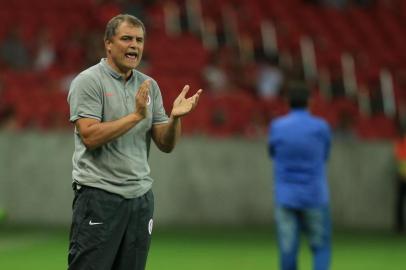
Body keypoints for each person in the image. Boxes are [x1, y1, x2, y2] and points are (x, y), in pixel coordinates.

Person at [67, 14, 202, 270]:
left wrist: (175, 119)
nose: (135, 45)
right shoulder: (89, 81)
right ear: (108, 44)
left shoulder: (149, 85)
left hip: (140, 199)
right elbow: (90, 136)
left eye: (139, 40)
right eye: (126, 38)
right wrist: (136, 116)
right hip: (100, 197)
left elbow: (166, 144)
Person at [268, 81, 332, 270]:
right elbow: (325, 155)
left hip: (286, 196)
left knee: (288, 249)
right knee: (321, 248)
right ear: (310, 102)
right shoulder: (321, 127)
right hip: (315, 195)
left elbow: (272, 153)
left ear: (287, 102)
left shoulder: (277, 126)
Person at [393, 128, 406, 233]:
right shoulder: (398, 144)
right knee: (399, 202)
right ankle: (399, 226)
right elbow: (398, 161)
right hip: (401, 178)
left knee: (400, 202)